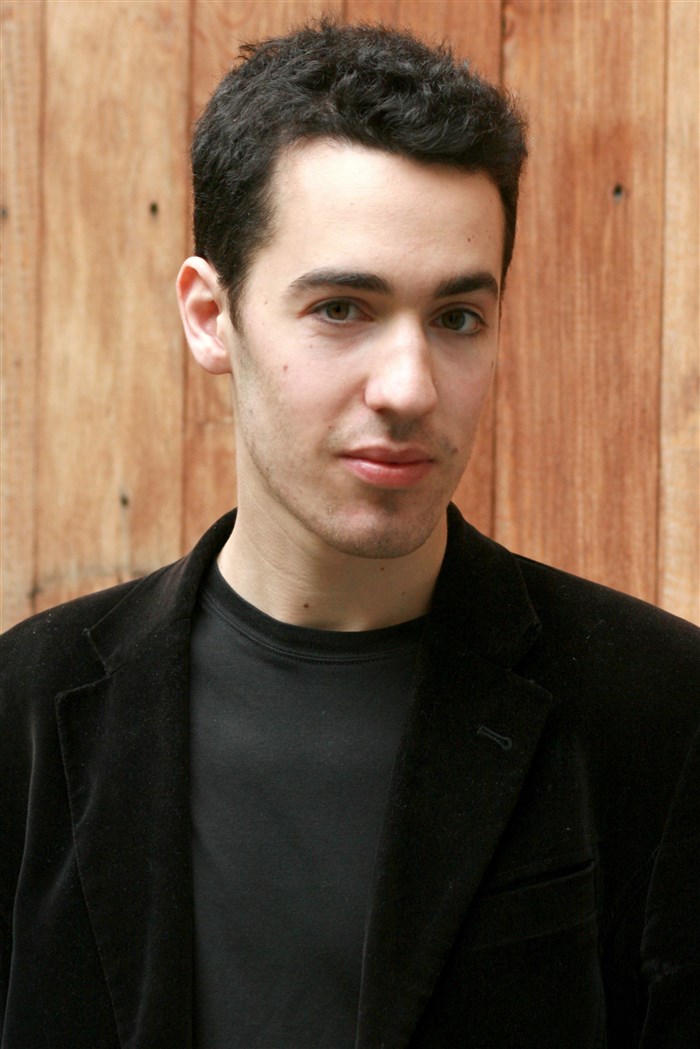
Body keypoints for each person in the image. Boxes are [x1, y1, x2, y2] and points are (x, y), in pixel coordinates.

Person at [1, 18, 698, 1049]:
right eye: (341, 308)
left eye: (457, 317)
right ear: (211, 316)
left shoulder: (661, 710)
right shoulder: (24, 708)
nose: (408, 388)